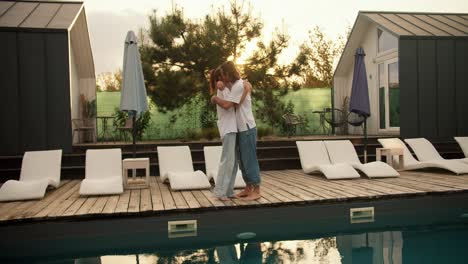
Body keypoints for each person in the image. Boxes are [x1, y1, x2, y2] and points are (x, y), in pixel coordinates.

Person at [211, 61, 261, 201]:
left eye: (222, 75)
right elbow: (227, 93)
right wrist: (218, 85)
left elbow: (230, 105)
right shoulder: (233, 86)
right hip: (239, 128)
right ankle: (248, 187)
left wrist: (215, 97)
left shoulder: (239, 85)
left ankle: (256, 189)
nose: (221, 78)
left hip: (247, 127)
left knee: (249, 159)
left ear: (228, 74)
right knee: (242, 160)